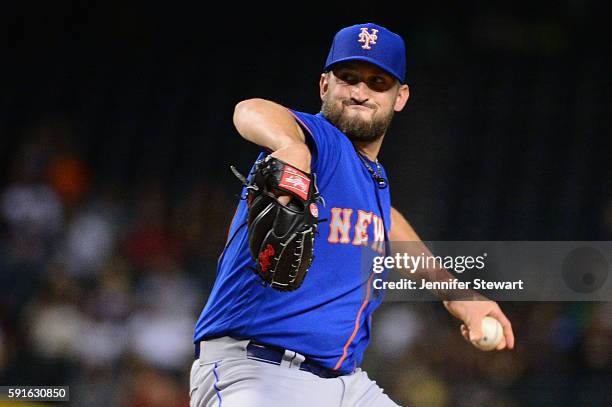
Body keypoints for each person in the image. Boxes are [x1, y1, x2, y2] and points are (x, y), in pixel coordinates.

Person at [190, 22, 515, 406]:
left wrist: (456, 295)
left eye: (378, 82)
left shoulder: (370, 178)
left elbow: (387, 222)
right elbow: (251, 110)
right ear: (325, 85)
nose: (361, 92)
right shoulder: (317, 142)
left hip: (346, 384)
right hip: (258, 371)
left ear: (400, 97)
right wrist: (289, 146)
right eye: (349, 78)